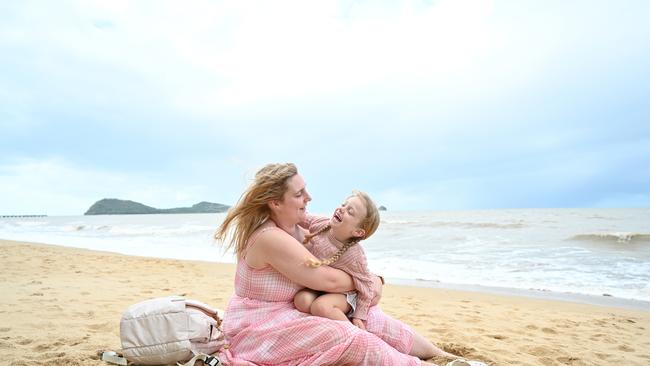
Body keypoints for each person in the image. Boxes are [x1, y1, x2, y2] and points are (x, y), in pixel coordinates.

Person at [214, 163, 458, 365]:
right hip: (261, 326)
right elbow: (327, 280)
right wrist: (370, 282)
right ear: (275, 203)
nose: (308, 198)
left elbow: (341, 254)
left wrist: (369, 282)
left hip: (295, 309)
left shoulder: (300, 225)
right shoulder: (269, 237)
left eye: (305, 190)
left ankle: (440, 355)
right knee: (351, 337)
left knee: (371, 317)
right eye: (299, 194)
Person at [293, 190, 381, 331]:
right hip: (322, 288)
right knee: (301, 301)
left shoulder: (354, 254)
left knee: (321, 306)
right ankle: (327, 326)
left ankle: (355, 335)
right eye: (343, 205)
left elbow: (365, 284)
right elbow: (302, 218)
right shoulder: (323, 224)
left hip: (344, 294)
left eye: (350, 211)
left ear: (358, 232)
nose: (341, 209)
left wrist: (359, 315)